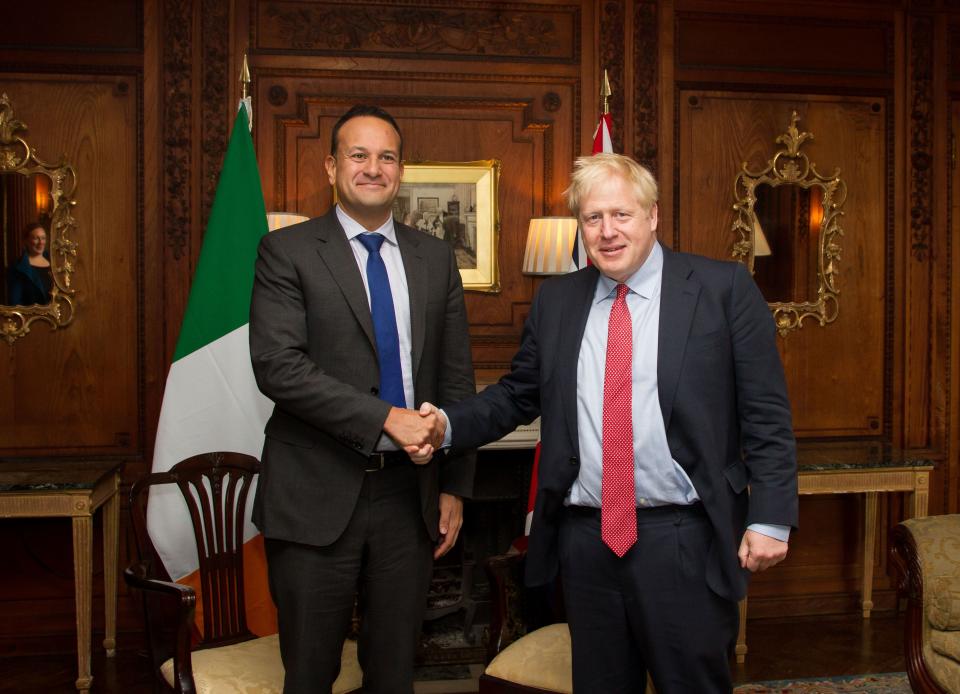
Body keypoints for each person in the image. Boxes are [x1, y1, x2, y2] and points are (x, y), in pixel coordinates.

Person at [419, 153, 798, 692]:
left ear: (652, 216)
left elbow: (766, 413)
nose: (607, 231)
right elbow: (516, 395)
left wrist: (771, 517)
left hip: (682, 537)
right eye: (593, 218)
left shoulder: (722, 289)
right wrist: (444, 426)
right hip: (587, 541)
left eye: (621, 214)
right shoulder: (557, 300)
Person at [249, 104, 477, 694]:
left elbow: (455, 379)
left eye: (387, 157)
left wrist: (454, 485)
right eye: (358, 154)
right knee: (309, 673)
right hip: (314, 494)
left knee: (394, 672)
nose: (373, 168)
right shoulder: (287, 251)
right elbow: (279, 368)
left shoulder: (434, 258)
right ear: (331, 166)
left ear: (401, 171)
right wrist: (385, 419)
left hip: (411, 499)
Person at [7, 222, 52, 306]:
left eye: (43, 238)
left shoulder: (55, 262)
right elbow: (15, 304)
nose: (41, 242)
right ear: (26, 241)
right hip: (34, 317)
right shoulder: (18, 268)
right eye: (36, 238)